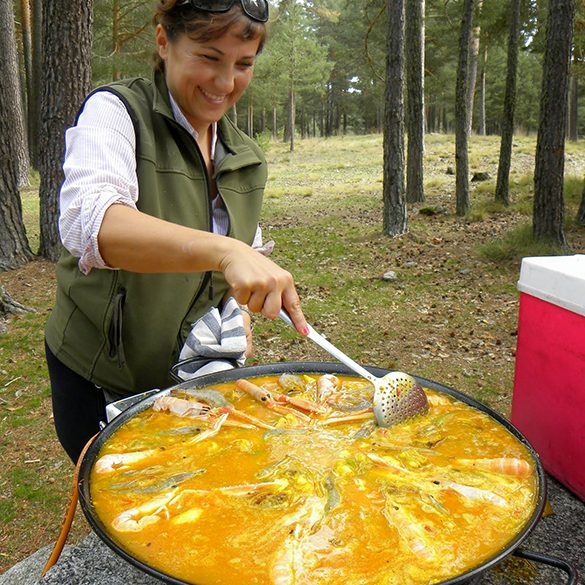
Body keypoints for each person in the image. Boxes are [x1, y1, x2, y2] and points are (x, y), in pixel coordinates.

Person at [44, 0, 308, 464]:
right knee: (122, 502)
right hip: (100, 377)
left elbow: (241, 249)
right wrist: (226, 252)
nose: (226, 84)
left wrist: (238, 311)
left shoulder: (244, 154)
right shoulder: (117, 113)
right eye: (208, 57)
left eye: (243, 64)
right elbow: (92, 223)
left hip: (191, 376)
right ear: (164, 40)